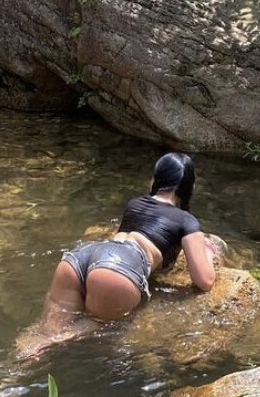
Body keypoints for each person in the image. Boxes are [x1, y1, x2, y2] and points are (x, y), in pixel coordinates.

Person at [13, 152, 221, 362]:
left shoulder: (135, 203)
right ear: (191, 188)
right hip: (117, 269)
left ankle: (17, 362)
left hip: (82, 257)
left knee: (44, 330)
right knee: (96, 325)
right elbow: (204, 281)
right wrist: (207, 253)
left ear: (155, 180)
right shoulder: (187, 221)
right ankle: (47, 344)